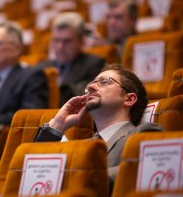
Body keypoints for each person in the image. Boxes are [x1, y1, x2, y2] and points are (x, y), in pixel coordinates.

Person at [34, 63, 162, 192]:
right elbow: (36, 174)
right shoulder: (80, 146)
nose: (90, 87)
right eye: (92, 83)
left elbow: (136, 172)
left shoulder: (144, 133)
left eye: (104, 82)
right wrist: (58, 125)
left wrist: (68, 176)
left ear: (129, 99)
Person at [37, 12, 105, 106]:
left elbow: (83, 98)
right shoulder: (41, 67)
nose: (60, 47)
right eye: (56, 40)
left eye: (67, 41)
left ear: (81, 40)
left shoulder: (94, 64)